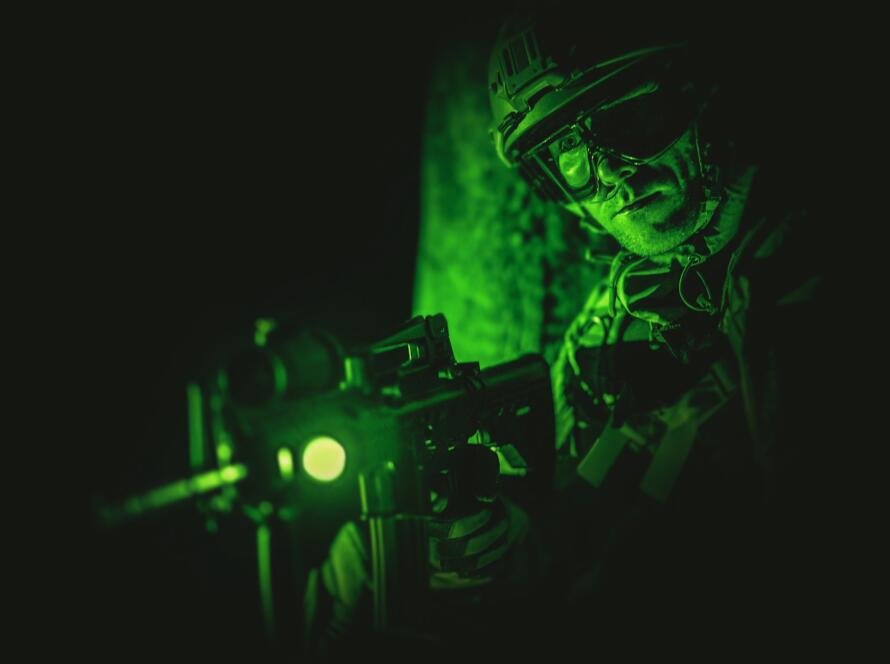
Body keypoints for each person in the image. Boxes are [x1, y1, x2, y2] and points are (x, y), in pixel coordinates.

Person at [303, 7, 838, 656]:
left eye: (632, 120)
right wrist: (501, 541)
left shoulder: (811, 270)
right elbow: (581, 505)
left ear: (704, 95)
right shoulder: (622, 314)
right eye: (571, 156)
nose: (609, 172)